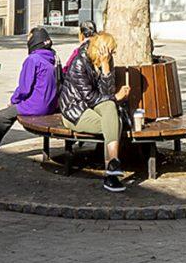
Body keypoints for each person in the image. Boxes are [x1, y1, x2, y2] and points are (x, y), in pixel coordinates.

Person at [55, 30, 133, 192]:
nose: (111, 54)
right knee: (114, 122)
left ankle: (112, 166)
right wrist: (117, 97)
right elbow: (90, 97)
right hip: (75, 110)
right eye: (109, 51)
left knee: (110, 110)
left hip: (95, 107)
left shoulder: (106, 61)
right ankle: (111, 173)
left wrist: (105, 68)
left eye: (112, 52)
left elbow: (106, 94)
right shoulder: (79, 63)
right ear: (100, 49)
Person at [0, 27, 61, 160]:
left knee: (2, 116)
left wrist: (13, 101)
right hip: (52, 104)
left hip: (38, 105)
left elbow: (24, 89)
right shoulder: (53, 57)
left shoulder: (33, 60)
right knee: (8, 114)